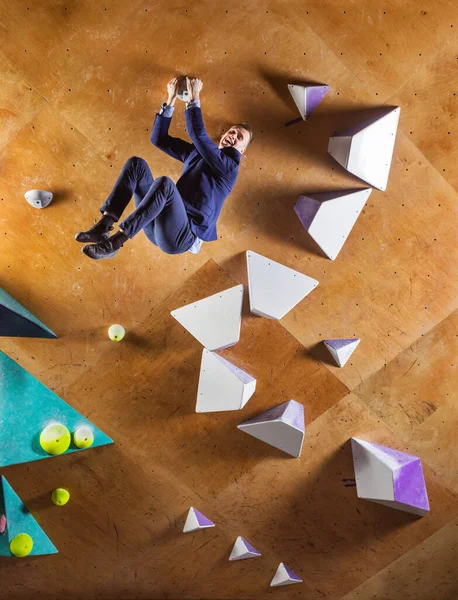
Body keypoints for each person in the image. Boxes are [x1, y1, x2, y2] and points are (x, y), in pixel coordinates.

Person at [76, 76, 253, 259]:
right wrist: (171, 99)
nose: (233, 135)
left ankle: (115, 242)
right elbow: (159, 139)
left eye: (239, 137)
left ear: (242, 150)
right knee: (137, 165)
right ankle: (104, 225)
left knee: (165, 185)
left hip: (180, 236)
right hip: (156, 225)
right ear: (224, 134)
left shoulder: (230, 168)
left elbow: (199, 135)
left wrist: (195, 97)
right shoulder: (197, 154)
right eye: (232, 131)